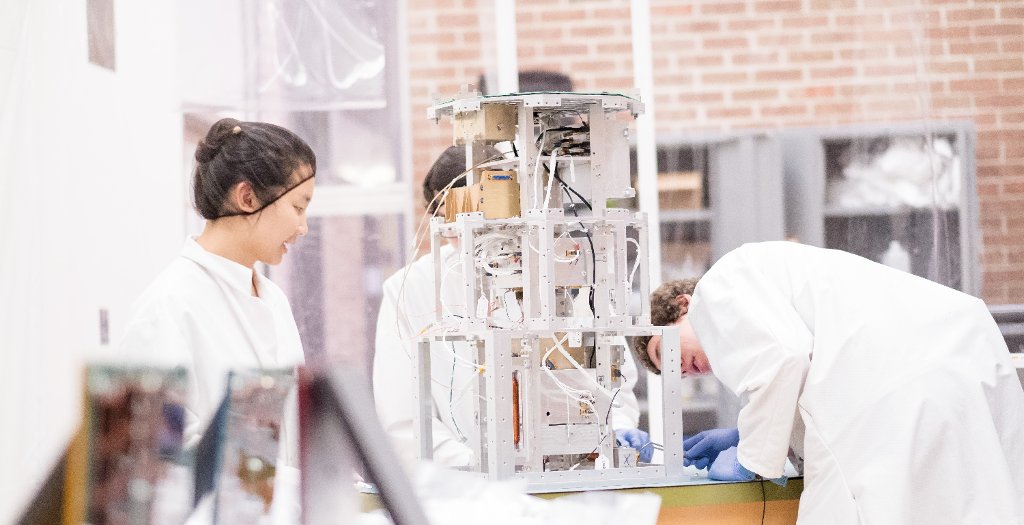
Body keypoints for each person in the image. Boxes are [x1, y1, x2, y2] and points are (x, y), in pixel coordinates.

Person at [634, 241, 1024, 524]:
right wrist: (757, 436)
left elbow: (784, 358)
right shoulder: (756, 281)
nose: (680, 369)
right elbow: (802, 364)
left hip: (907, 390)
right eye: (674, 372)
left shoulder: (715, 290)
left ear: (682, 305)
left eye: (664, 352)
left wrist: (750, 458)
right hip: (955, 359)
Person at [373, 146, 649, 469]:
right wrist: (478, 468)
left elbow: (613, 381)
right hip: (463, 485)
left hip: (570, 473)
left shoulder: (557, 273)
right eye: (457, 226)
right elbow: (404, 418)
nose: (476, 240)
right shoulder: (411, 289)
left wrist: (618, 431)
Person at [118, 117, 316, 466]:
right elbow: (153, 459)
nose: (303, 227)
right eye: (298, 207)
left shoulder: (274, 300)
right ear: (248, 197)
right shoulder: (169, 305)